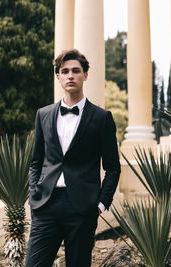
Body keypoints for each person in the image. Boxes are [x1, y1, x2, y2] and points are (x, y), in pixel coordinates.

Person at [25, 49, 121, 267]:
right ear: (58, 77)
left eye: (76, 71)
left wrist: (100, 205)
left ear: (85, 75)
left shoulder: (101, 118)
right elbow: (36, 161)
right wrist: (34, 195)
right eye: (65, 71)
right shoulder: (43, 114)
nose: (70, 75)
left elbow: (113, 168)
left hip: (82, 208)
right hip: (45, 204)